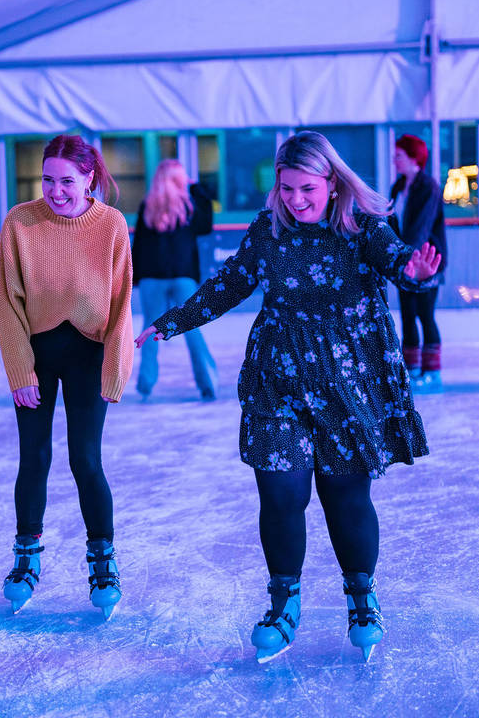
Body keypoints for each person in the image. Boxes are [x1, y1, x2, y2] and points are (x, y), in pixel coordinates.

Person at [135, 131, 442, 663]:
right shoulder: (269, 229)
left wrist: (414, 272)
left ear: (332, 182)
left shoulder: (362, 228)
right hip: (277, 377)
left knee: (345, 498)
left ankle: (362, 597)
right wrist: (169, 324)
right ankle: (283, 605)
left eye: (306, 189)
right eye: (286, 188)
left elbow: (398, 262)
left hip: (349, 381)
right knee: (280, 494)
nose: (295, 200)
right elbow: (228, 284)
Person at [0, 134, 134, 619]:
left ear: (90, 178)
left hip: (89, 356)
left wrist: (115, 370)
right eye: (48, 179)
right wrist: (19, 369)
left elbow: (120, 307)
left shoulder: (112, 226)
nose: (57, 190)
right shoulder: (20, 222)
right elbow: (7, 304)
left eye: (67, 181)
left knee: (85, 460)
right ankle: (26, 559)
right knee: (33, 457)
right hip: (35, 355)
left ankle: (102, 561)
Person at [132, 159, 218, 401]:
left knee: (150, 327)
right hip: (182, 276)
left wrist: (137, 277)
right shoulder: (189, 206)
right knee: (191, 327)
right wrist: (197, 189)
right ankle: (207, 381)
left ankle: (145, 384)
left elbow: (138, 245)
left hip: (152, 277)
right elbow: (206, 227)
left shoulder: (148, 206)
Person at [390, 134, 448, 391]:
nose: (394, 160)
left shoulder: (428, 187)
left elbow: (420, 228)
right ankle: (411, 368)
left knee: (425, 314)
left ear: (414, 157)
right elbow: (393, 223)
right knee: (407, 315)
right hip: (405, 262)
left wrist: (408, 259)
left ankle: (432, 371)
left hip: (426, 261)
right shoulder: (398, 187)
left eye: (399, 155)